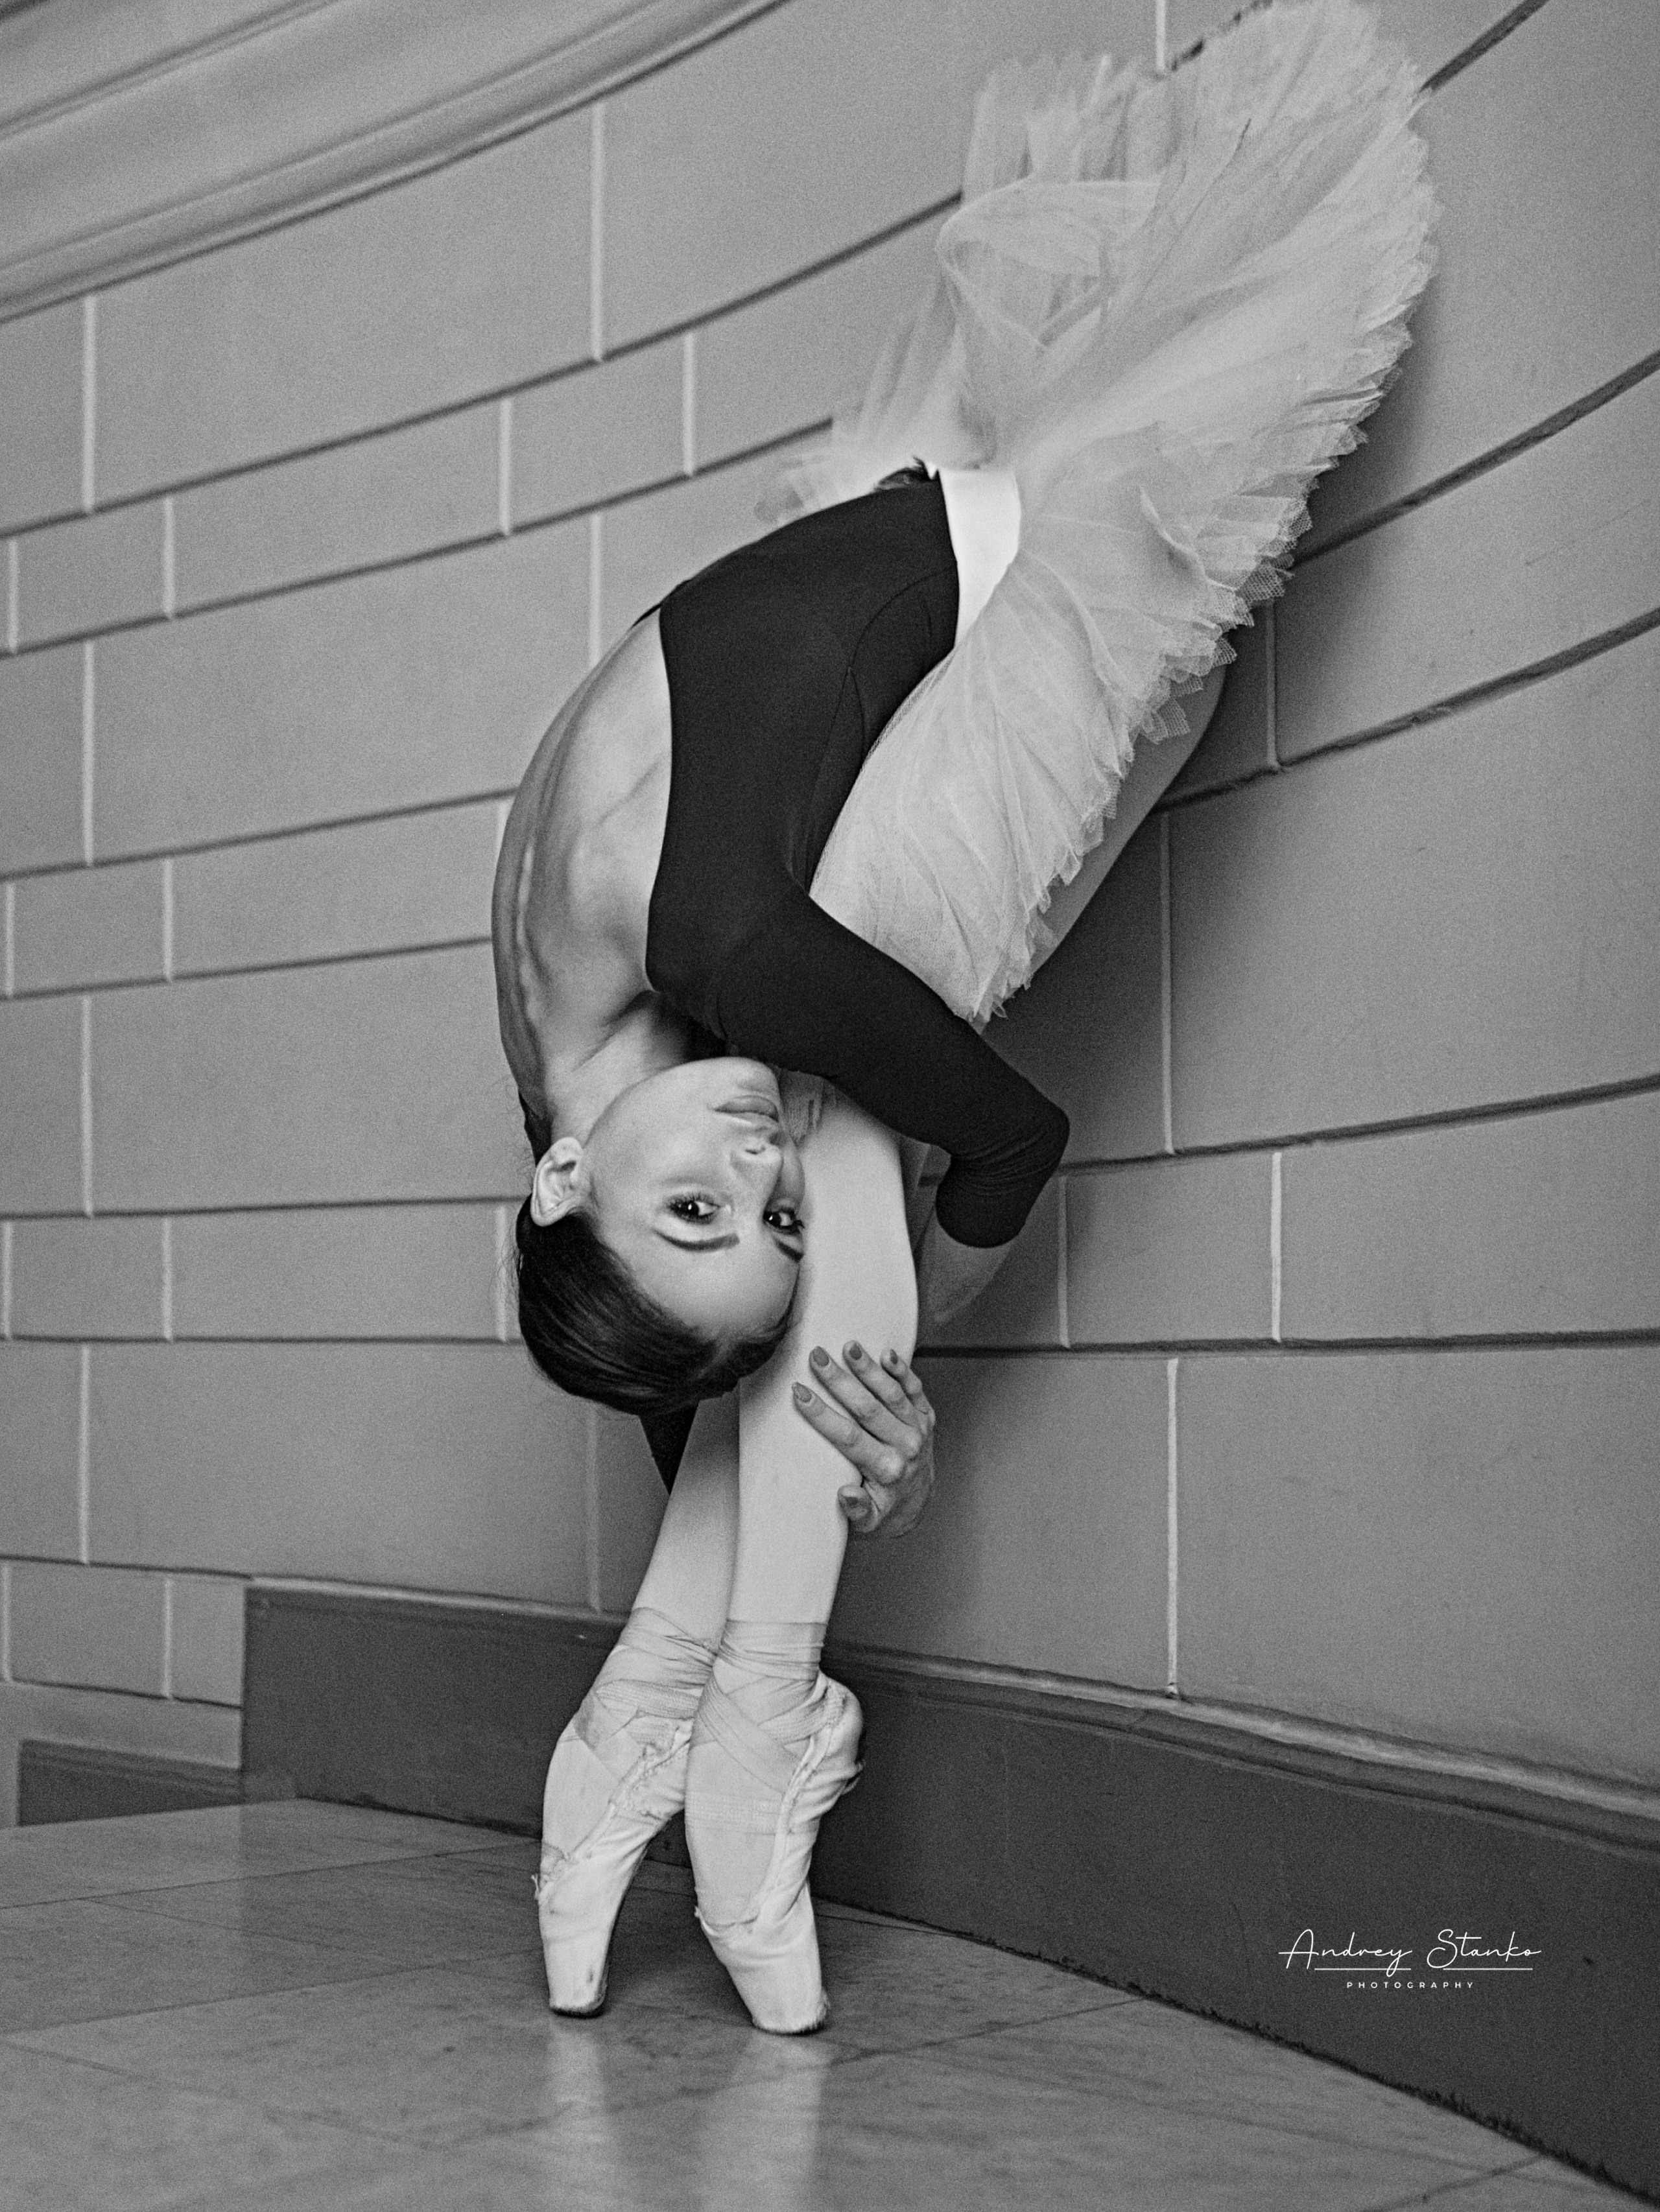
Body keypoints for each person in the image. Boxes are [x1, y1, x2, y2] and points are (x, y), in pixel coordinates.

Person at [491, 0, 1437, 2034]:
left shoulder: (713, 952)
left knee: (836, 1095)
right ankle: (662, 1741)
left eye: (692, 1206)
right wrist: (874, 1426)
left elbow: (1014, 1137)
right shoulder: (578, 1059)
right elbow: (733, 1376)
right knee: (815, 1140)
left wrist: (878, 1341)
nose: (741, 1172)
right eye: (753, 1226)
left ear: (563, 1170)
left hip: (1031, 559)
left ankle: (719, 1745)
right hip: (875, 619)